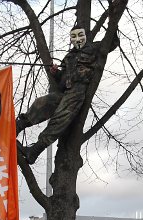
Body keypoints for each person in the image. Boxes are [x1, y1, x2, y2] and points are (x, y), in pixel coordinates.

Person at [17, 25, 118, 164]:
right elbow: (63, 79)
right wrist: (56, 73)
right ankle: (19, 125)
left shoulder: (94, 48)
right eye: (74, 36)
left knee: (59, 118)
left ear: (85, 36)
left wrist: (114, 23)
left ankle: (34, 151)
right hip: (65, 92)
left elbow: (112, 42)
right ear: (71, 39)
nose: (78, 39)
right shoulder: (69, 57)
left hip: (78, 91)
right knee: (43, 102)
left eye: (80, 35)